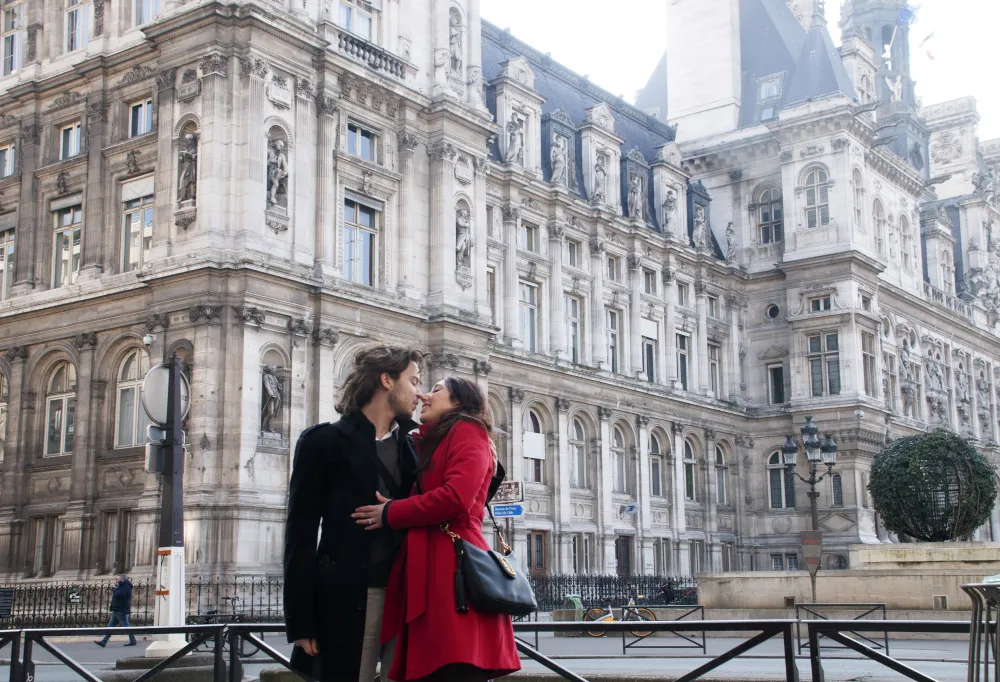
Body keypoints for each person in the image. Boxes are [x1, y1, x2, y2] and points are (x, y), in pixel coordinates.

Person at [353, 378, 520, 682]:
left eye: (436, 390)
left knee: (451, 664)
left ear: (459, 401)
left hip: (452, 566)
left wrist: (392, 512)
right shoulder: (440, 438)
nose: (424, 396)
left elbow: (456, 498)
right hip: (435, 563)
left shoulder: (468, 430)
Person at [284, 346, 425, 682]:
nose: (420, 393)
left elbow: (455, 500)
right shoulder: (323, 442)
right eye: (414, 381)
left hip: (409, 596)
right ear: (387, 380)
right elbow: (300, 534)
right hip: (348, 598)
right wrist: (301, 620)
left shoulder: (416, 446)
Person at [95, 574, 137, 647]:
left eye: (118, 579)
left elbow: (119, 594)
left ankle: (133, 640)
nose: (117, 580)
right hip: (117, 609)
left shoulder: (125, 587)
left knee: (126, 625)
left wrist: (114, 589)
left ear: (122, 580)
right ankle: (104, 641)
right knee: (111, 626)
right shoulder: (121, 586)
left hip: (121, 610)